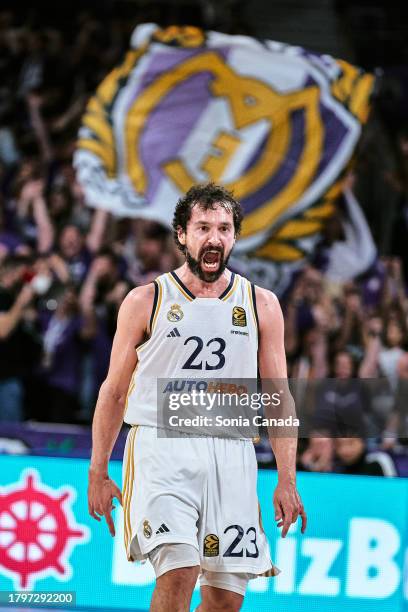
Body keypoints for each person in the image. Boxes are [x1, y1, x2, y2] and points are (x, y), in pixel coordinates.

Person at [87, 183, 307, 612]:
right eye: (203, 227)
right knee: (179, 572)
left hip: (233, 452)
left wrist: (287, 478)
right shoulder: (145, 300)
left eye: (224, 228)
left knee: (225, 600)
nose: (214, 237)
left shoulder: (261, 304)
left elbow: (279, 398)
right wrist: (98, 469)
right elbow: (113, 392)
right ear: (182, 235)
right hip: (161, 445)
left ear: (235, 237)